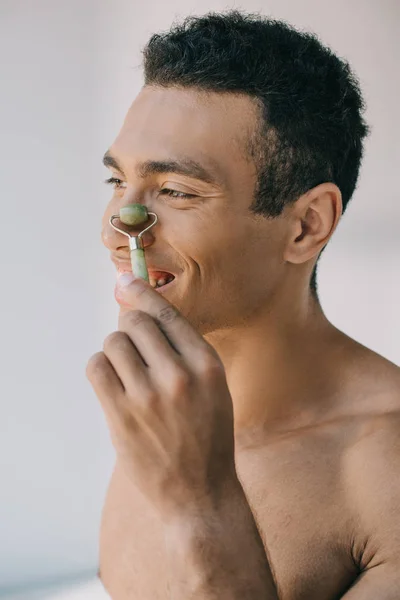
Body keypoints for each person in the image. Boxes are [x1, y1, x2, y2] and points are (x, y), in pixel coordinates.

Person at [86, 10, 400, 599]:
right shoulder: (160, 414)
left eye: (176, 191)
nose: (117, 231)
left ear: (306, 225)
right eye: (117, 183)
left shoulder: (387, 474)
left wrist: (200, 508)